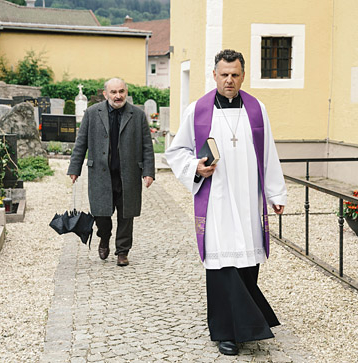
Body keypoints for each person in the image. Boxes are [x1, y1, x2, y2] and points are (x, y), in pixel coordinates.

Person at [165, 49, 286, 355]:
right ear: (214, 75)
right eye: (224, 74)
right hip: (216, 199)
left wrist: (276, 193)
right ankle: (225, 332)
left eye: (235, 74)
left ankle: (245, 327)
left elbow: (268, 153)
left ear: (242, 76)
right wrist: (196, 168)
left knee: (246, 261)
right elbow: (176, 151)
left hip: (248, 198)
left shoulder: (257, 109)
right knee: (221, 264)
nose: (229, 80)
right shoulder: (198, 110)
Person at [67, 78, 155, 266]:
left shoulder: (137, 115)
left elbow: (147, 146)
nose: (118, 96)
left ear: (126, 91)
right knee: (101, 214)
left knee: (126, 215)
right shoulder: (92, 113)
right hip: (100, 174)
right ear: (106, 94)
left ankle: (122, 251)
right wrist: (74, 169)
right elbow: (81, 143)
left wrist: (148, 171)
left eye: (121, 91)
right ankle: (104, 237)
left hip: (128, 174)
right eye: (113, 92)